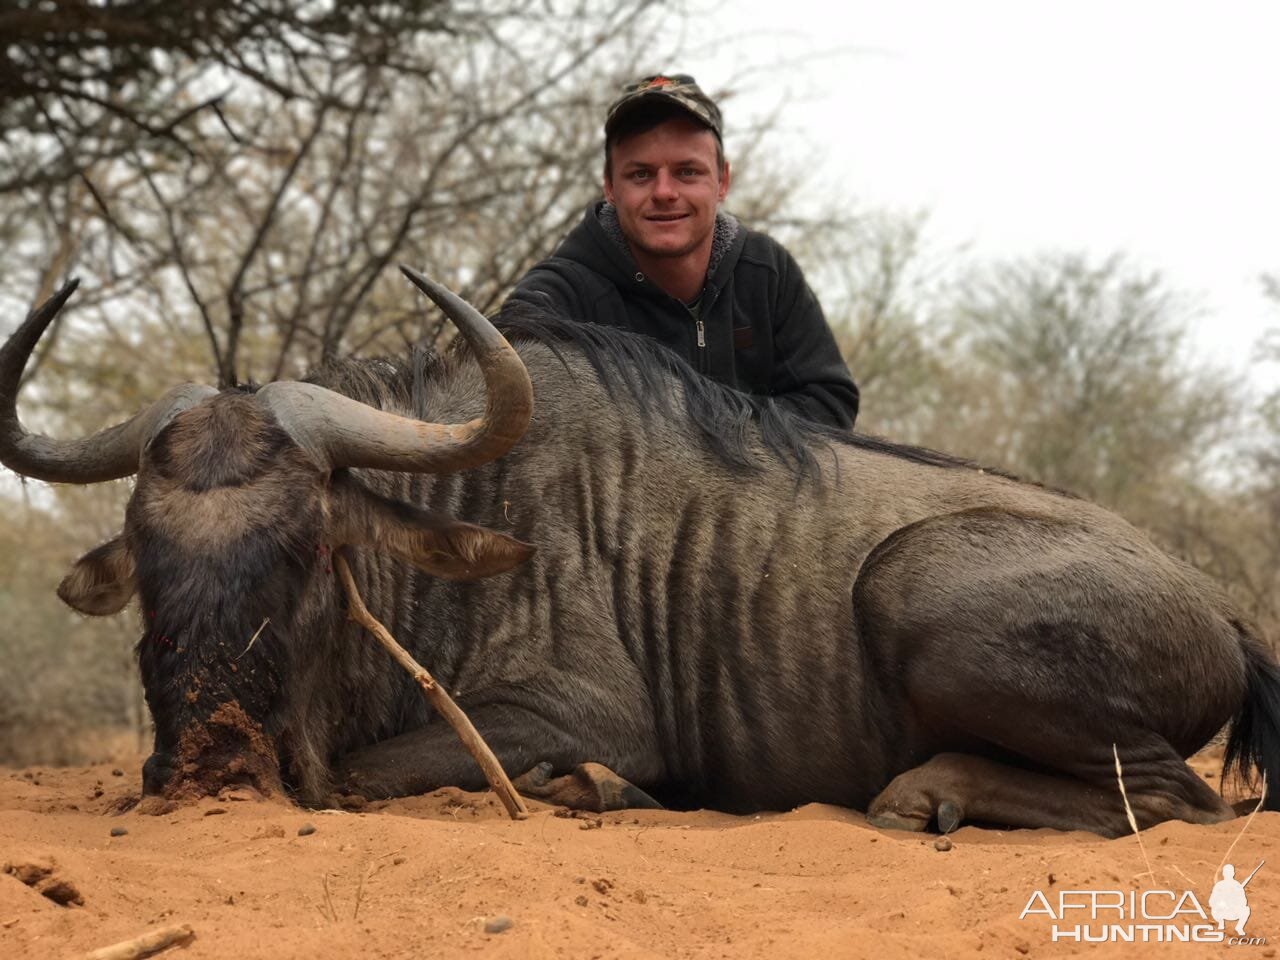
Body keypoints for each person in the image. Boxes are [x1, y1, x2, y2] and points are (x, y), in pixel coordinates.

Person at [507, 73, 859, 429]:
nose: (664, 192)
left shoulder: (767, 271)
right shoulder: (557, 295)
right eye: (641, 175)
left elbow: (831, 403)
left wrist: (712, 440)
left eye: (687, 172)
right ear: (610, 186)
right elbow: (508, 406)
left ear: (722, 182)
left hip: (759, 484)